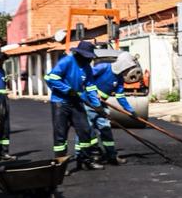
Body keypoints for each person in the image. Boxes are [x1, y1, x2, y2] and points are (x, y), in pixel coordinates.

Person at [45, 40, 103, 171]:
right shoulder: (67, 61)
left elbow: (90, 87)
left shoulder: (87, 67)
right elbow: (51, 78)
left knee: (85, 131)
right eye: (87, 57)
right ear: (79, 54)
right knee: (61, 134)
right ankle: (61, 165)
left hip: (77, 102)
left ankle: (86, 160)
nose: (89, 60)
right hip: (61, 102)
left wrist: (97, 105)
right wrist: (67, 89)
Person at [87, 52, 140, 166]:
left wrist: (131, 111)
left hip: (102, 105)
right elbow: (86, 77)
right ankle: (89, 157)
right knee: (88, 130)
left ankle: (111, 156)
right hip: (88, 103)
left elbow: (120, 97)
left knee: (105, 129)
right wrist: (92, 92)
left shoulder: (120, 79)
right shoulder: (103, 67)